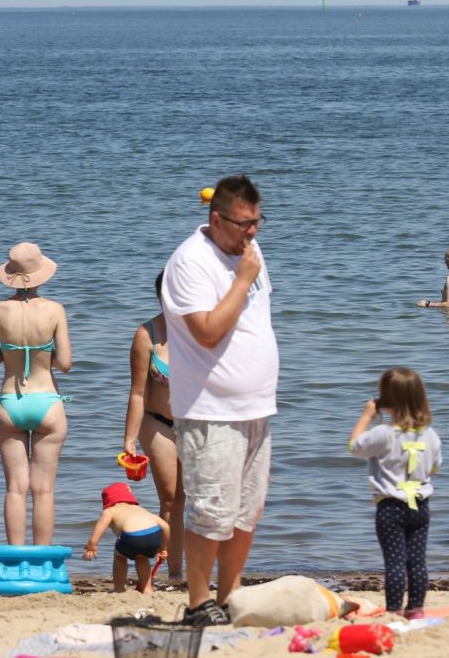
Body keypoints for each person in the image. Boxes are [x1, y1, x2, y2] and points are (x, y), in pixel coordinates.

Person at [161, 174, 278, 627]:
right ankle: (196, 602)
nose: (252, 231)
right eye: (244, 223)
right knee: (210, 511)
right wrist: (242, 277)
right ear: (217, 218)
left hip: (256, 405)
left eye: (257, 221)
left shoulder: (249, 251)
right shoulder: (190, 261)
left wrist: (248, 268)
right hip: (210, 410)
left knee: (247, 511)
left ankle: (229, 595)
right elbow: (207, 332)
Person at [0, 242, 71, 545]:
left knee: (15, 488)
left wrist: (8, 353)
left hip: (10, 404)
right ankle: (42, 557)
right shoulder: (56, 309)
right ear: (40, 274)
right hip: (47, 403)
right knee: (43, 490)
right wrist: (43, 354)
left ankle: (16, 556)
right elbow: (66, 364)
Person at [347, 368, 441, 619]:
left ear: (386, 400)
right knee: (417, 562)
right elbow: (435, 466)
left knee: (395, 563)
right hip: (420, 506)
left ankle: (394, 611)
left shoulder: (382, 434)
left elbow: (354, 447)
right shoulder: (430, 434)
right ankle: (416, 610)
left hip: (391, 508)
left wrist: (367, 416)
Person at [122, 269, 184, 580]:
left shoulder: (201, 333)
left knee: (200, 500)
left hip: (196, 424)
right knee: (171, 498)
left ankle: (195, 570)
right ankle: (173, 574)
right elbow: (137, 392)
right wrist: (129, 440)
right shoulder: (147, 334)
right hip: (157, 422)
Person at [83, 483, 169, 595]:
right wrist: (163, 548)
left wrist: (92, 544)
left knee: (119, 556)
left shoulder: (110, 511)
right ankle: (147, 589)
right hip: (154, 534)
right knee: (142, 558)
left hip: (132, 537)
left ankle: (119, 588)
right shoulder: (140, 509)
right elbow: (166, 527)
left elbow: (101, 526)